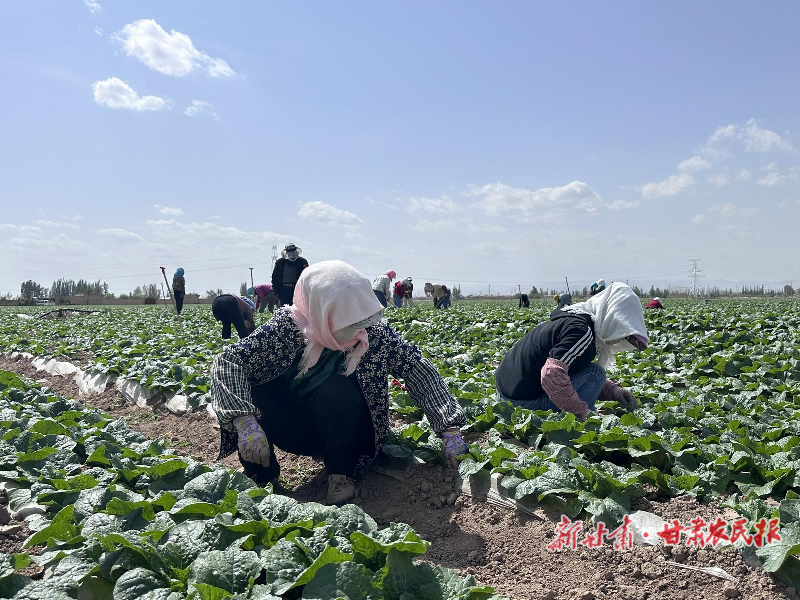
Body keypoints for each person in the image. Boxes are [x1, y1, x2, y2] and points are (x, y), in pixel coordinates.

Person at [210, 261, 468, 504]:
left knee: (336, 390)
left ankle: (340, 473)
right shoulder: (288, 328)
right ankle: (261, 472)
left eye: (363, 319)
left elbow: (417, 369)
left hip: (347, 431)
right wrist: (244, 422)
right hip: (293, 426)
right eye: (350, 320)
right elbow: (229, 361)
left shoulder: (374, 333)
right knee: (255, 389)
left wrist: (449, 428)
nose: (360, 329)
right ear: (322, 310)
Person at [495, 282, 648, 421]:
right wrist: (582, 412)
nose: (619, 340)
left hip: (503, 399)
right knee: (596, 373)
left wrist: (614, 391)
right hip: (520, 406)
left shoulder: (575, 318)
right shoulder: (583, 332)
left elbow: (570, 372)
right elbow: (551, 374)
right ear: (611, 318)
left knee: (592, 373)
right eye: (621, 331)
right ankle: (576, 420)